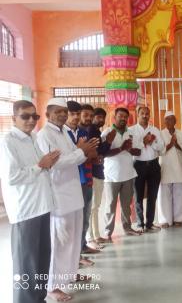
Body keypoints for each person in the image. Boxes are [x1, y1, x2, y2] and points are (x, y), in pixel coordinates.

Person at [37, 97, 98, 302]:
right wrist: (82, 151)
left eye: (65, 111)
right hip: (59, 197)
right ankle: (53, 287)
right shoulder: (44, 135)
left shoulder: (63, 132)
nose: (63, 114)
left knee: (72, 241)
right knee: (60, 242)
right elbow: (57, 163)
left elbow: (73, 156)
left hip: (73, 194)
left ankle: (69, 276)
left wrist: (80, 149)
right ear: (47, 114)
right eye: (58, 111)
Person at [0, 100, 59, 303]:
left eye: (35, 116)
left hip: (42, 206)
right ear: (14, 118)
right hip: (26, 210)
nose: (31, 120)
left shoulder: (32, 137)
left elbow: (40, 167)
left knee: (42, 259)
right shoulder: (8, 142)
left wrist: (49, 162)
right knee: (26, 264)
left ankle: (39, 298)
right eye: (25, 116)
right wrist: (40, 165)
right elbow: (11, 177)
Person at [64, 101, 99, 259]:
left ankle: (82, 248)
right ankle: (74, 256)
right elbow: (68, 159)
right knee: (71, 221)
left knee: (84, 217)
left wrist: (84, 154)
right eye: (73, 114)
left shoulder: (83, 133)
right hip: (70, 182)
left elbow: (92, 155)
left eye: (78, 114)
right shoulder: (62, 134)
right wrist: (81, 151)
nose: (76, 117)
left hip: (86, 179)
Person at [102, 107, 141, 241]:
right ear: (115, 117)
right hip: (111, 175)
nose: (123, 119)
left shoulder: (130, 133)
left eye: (126, 116)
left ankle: (127, 228)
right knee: (110, 205)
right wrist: (121, 148)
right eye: (121, 116)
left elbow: (138, 152)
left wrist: (131, 150)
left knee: (126, 205)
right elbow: (104, 153)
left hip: (128, 174)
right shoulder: (107, 132)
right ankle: (108, 232)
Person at [81, 106, 115, 249]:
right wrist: (107, 142)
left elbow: (100, 153)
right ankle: (91, 238)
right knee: (93, 207)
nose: (99, 120)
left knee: (95, 207)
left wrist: (106, 143)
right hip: (92, 173)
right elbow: (95, 152)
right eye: (97, 117)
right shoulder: (90, 131)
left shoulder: (95, 131)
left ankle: (95, 235)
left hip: (98, 171)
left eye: (102, 117)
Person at [129, 106, 164, 232]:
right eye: (142, 113)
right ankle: (139, 224)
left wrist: (152, 142)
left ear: (150, 115)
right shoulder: (131, 130)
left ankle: (149, 223)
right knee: (137, 195)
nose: (145, 116)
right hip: (138, 165)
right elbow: (131, 147)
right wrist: (143, 142)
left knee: (152, 195)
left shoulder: (155, 130)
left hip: (154, 164)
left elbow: (161, 146)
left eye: (147, 113)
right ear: (138, 115)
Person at [157, 111, 182, 228]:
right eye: (167, 119)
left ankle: (179, 219)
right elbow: (159, 151)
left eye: (172, 119)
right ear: (164, 122)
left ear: (175, 121)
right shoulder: (160, 134)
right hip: (165, 167)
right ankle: (165, 220)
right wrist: (170, 144)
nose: (169, 121)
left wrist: (177, 144)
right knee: (164, 194)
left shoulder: (181, 133)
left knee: (180, 194)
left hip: (178, 167)